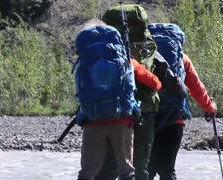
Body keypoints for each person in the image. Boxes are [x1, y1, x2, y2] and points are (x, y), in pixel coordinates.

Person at [95, 4, 188, 180]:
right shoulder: (147, 48)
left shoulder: (100, 49)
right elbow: (173, 83)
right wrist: (182, 90)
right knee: (139, 168)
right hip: (142, 116)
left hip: (102, 113)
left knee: (105, 170)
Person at [74, 19, 162, 180]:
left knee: (87, 172)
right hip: (122, 120)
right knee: (126, 170)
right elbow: (155, 83)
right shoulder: (126, 60)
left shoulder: (84, 62)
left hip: (92, 120)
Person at [147, 53, 217, 180]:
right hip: (174, 118)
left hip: (146, 118)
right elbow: (197, 88)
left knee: (146, 170)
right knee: (168, 171)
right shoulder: (181, 57)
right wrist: (210, 108)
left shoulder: (143, 55)